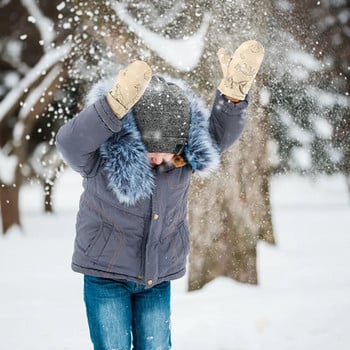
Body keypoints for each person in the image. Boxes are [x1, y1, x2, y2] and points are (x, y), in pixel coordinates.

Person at [56, 40, 264, 350]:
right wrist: (111, 108)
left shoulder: (182, 159)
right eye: (150, 150)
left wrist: (232, 98)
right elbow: (69, 142)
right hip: (106, 276)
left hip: (156, 276)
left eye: (166, 151)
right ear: (134, 136)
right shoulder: (102, 156)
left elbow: (218, 137)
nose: (158, 159)